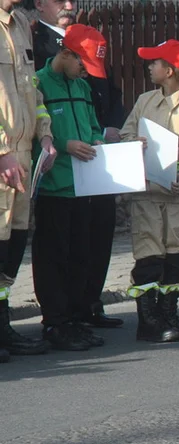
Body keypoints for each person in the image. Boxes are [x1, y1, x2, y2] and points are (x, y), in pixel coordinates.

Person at [30, 0, 126, 330]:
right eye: (60, 0)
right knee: (59, 242)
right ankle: (61, 313)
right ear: (39, 4)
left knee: (96, 233)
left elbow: (107, 91)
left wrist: (110, 126)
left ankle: (89, 303)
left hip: (95, 153)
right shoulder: (35, 45)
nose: (68, 6)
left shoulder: (89, 41)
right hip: (61, 162)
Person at [120, 40, 179, 343]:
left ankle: (168, 314)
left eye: (155, 62)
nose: (149, 67)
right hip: (147, 195)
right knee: (148, 254)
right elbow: (124, 135)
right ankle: (148, 323)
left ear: (171, 71)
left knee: (175, 256)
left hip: (177, 198)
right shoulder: (144, 101)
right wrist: (134, 142)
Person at [31, 25, 110, 350]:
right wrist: (65, 144)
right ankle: (55, 323)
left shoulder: (81, 85)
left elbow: (92, 126)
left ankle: (75, 319)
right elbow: (34, 132)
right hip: (54, 187)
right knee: (53, 257)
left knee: (80, 255)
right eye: (82, 63)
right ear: (66, 53)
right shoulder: (38, 84)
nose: (84, 71)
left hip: (84, 185)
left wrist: (99, 139)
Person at [0, 0, 57, 361]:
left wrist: (46, 134)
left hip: (21, 157)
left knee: (12, 245)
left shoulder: (20, 23)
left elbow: (31, 88)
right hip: (3, 157)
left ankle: (3, 329)